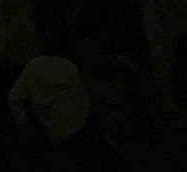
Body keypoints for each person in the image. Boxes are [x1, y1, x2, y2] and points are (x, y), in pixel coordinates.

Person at [9, 23, 116, 171]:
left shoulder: (33, 66)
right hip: (76, 124)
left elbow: (15, 98)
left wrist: (25, 125)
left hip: (53, 130)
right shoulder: (68, 66)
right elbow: (80, 99)